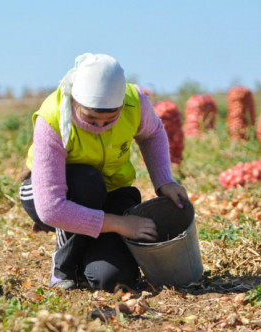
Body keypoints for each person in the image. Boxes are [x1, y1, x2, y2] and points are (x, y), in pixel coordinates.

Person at [19, 53, 189, 291]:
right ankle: (64, 267)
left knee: (112, 279)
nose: (100, 127)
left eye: (110, 119)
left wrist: (164, 181)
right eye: (91, 119)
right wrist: (120, 224)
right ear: (75, 102)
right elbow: (51, 209)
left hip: (108, 194)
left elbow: (153, 133)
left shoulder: (134, 102)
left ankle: (87, 246)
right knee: (87, 183)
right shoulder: (53, 118)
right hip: (51, 195)